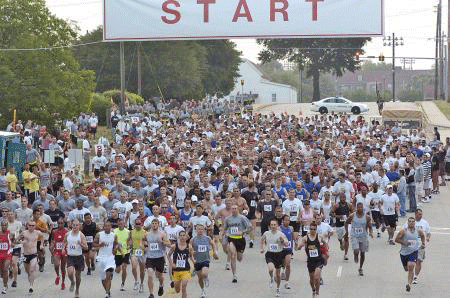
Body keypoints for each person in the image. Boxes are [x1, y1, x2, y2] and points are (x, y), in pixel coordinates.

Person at [395, 217, 426, 292]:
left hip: (414, 251)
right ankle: (410, 280)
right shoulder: (403, 231)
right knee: (406, 269)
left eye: (413, 221)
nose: (411, 223)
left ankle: (409, 284)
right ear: (407, 223)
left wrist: (423, 243)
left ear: (415, 223)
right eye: (410, 221)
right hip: (404, 253)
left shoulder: (418, 231)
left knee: (411, 266)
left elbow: (422, 235)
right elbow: (396, 239)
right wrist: (404, 242)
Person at [296, 221, 327, 298]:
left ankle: (317, 293)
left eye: (314, 229)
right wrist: (299, 246)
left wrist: (326, 253)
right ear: (309, 229)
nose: (312, 230)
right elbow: (300, 246)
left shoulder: (319, 237)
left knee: (317, 277)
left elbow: (325, 244)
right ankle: (313, 289)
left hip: (319, 260)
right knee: (312, 279)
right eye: (311, 229)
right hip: (310, 261)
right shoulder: (305, 238)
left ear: (316, 230)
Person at [260, 218, 289, 297]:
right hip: (269, 254)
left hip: (279, 255)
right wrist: (262, 248)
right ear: (269, 226)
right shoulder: (266, 233)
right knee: (270, 269)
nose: (273, 226)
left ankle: (278, 289)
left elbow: (286, 243)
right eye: (271, 225)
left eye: (274, 225)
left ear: (277, 225)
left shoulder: (281, 234)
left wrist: (282, 240)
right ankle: (271, 278)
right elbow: (262, 240)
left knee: (278, 275)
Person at [142, 218, 171, 298]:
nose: (154, 225)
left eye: (156, 223)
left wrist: (161, 242)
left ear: (158, 225)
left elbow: (169, 244)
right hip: (150, 257)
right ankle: (151, 294)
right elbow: (142, 241)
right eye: (153, 223)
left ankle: (161, 285)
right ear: (151, 225)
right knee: (150, 274)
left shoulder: (162, 234)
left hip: (159, 257)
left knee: (159, 276)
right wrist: (143, 247)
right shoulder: (147, 234)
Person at [223, 204, 251, 283]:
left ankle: (240, 254)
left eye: (235, 208)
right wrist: (224, 236)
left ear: (238, 209)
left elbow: (249, 227)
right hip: (231, 238)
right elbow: (225, 229)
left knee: (239, 258)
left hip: (240, 239)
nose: (234, 210)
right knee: (233, 255)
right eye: (233, 208)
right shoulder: (228, 219)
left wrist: (242, 231)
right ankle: (234, 275)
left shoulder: (242, 218)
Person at [345, 202, 373, 276]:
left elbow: (370, 226)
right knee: (357, 250)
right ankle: (355, 255)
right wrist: (346, 232)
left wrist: (371, 232)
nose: (360, 209)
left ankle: (360, 268)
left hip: (363, 236)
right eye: (358, 207)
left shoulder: (367, 217)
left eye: (361, 207)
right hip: (354, 235)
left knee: (363, 253)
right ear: (356, 208)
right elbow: (346, 222)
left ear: (363, 207)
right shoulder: (352, 215)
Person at [190, 224, 218, 298]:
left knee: (204, 273)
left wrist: (215, 252)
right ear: (196, 230)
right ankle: (202, 290)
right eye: (199, 229)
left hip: (205, 259)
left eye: (202, 229)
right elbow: (190, 250)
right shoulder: (193, 240)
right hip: (197, 261)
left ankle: (206, 277)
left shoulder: (207, 238)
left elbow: (213, 244)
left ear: (204, 230)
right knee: (200, 277)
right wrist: (192, 258)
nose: (200, 231)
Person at [64, 219, 88, 298]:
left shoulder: (81, 235)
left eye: (76, 225)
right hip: (70, 256)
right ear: (71, 225)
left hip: (79, 257)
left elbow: (86, 247)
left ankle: (77, 290)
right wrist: (63, 250)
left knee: (78, 275)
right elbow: (64, 243)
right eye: (73, 225)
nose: (74, 227)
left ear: (79, 226)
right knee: (70, 272)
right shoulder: (67, 234)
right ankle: (72, 282)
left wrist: (81, 245)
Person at [94, 220, 118, 298]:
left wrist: (115, 249)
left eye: (108, 226)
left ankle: (107, 294)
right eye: (105, 226)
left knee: (108, 275)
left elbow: (116, 244)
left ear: (111, 227)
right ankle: (108, 291)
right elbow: (94, 244)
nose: (107, 227)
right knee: (103, 278)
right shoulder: (99, 235)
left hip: (110, 257)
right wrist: (99, 245)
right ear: (103, 227)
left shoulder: (113, 235)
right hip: (101, 257)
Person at [20, 220, 44, 293]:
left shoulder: (37, 233)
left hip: (34, 254)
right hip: (25, 254)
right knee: (28, 271)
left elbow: (42, 237)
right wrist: (21, 242)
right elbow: (17, 240)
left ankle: (31, 286)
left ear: (35, 226)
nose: (31, 227)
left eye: (32, 225)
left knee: (32, 269)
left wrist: (41, 244)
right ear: (27, 226)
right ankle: (30, 280)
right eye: (29, 225)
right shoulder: (24, 233)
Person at [409, 209, 430, 284]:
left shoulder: (425, 223)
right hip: (412, 244)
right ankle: (411, 273)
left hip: (421, 244)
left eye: (421, 214)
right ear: (415, 214)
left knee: (419, 261)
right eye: (419, 214)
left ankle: (415, 276)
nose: (420, 216)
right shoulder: (411, 222)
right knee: (412, 262)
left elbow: (428, 233)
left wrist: (427, 238)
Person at [168, 230, 191, 298]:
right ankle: (176, 286)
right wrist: (171, 264)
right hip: (176, 270)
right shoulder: (174, 246)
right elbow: (168, 255)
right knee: (177, 290)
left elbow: (192, 256)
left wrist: (194, 260)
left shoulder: (189, 246)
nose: (182, 237)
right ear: (178, 237)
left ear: (186, 237)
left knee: (184, 287)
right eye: (181, 235)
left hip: (185, 269)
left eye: (184, 235)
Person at [128, 218, 147, 293]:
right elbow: (129, 240)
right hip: (134, 252)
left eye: (139, 224)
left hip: (142, 253)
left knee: (142, 270)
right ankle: (136, 281)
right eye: (137, 224)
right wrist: (129, 245)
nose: (138, 225)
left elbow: (148, 242)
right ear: (134, 225)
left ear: (141, 224)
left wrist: (146, 247)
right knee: (134, 267)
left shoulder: (145, 232)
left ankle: (142, 284)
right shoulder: (131, 232)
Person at [331, 192, 352, 260]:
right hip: (339, 224)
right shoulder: (336, 205)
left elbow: (352, 212)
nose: (343, 199)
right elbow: (331, 213)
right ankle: (340, 242)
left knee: (346, 237)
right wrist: (338, 216)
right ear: (340, 198)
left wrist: (349, 217)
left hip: (346, 224)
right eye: (342, 197)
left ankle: (346, 254)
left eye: (344, 197)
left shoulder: (349, 205)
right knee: (340, 237)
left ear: (346, 198)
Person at [50, 217, 68, 290]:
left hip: (64, 251)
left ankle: (63, 282)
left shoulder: (67, 231)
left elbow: (68, 241)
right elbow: (52, 240)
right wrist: (51, 247)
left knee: (63, 267)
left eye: (61, 223)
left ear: (64, 223)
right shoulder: (54, 231)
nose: (60, 224)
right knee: (56, 265)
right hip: (57, 250)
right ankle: (58, 275)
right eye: (59, 223)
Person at [7, 210, 22, 288]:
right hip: (7, 247)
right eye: (8, 214)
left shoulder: (18, 224)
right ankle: (11, 269)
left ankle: (15, 281)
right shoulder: (4, 224)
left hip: (16, 246)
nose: (10, 216)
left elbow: (20, 233)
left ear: (14, 215)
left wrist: (16, 241)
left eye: (11, 214)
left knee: (13, 262)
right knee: (9, 262)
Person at [114, 218, 130, 291]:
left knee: (124, 267)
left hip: (125, 252)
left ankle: (123, 283)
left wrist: (129, 246)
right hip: (117, 253)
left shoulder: (128, 231)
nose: (121, 225)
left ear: (124, 224)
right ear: (117, 224)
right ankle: (117, 268)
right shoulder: (114, 231)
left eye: (122, 224)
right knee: (117, 270)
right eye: (119, 224)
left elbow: (130, 241)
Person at [0, 221, 13, 294]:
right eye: (2, 225)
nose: (4, 226)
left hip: (7, 253)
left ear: (7, 226)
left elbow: (13, 240)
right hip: (0, 254)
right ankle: (9, 272)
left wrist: (12, 240)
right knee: (2, 272)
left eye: (5, 225)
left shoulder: (9, 233)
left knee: (5, 269)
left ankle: (5, 286)